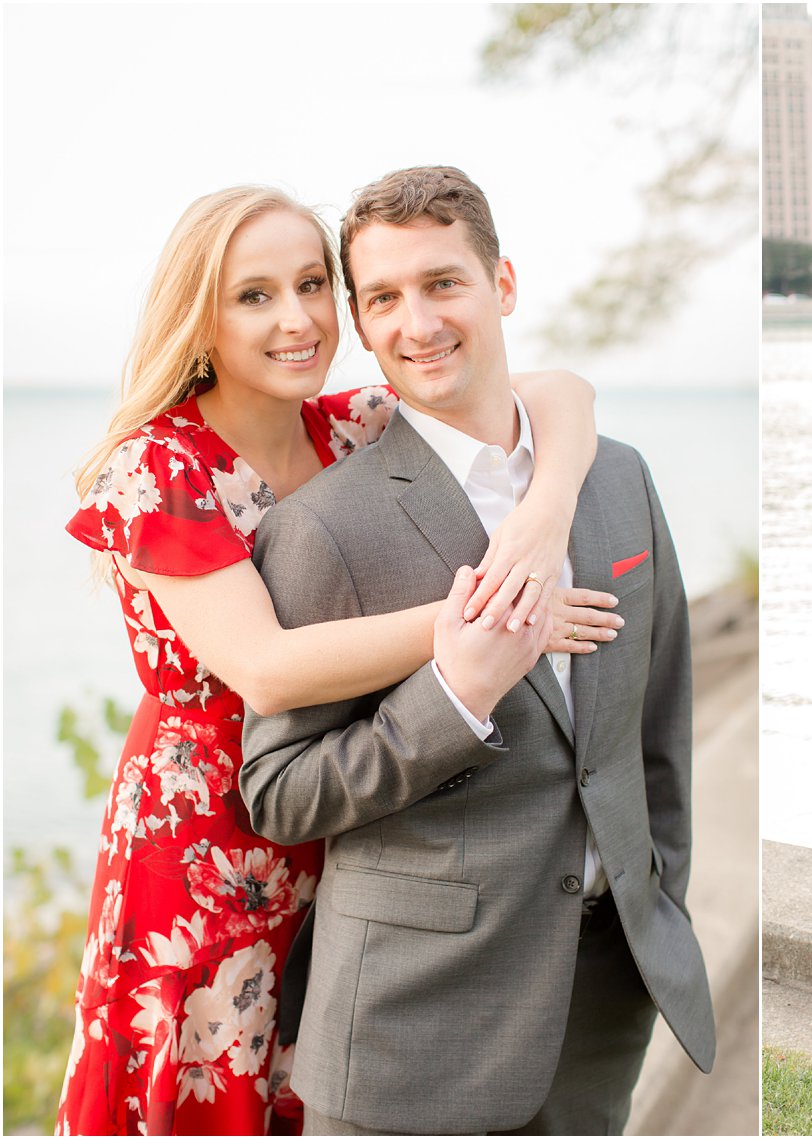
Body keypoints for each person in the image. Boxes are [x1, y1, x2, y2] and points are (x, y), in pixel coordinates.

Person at [57, 186, 609, 1136]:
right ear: (201, 316)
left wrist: (546, 507)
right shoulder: (158, 467)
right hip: (205, 844)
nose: (299, 318)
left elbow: (559, 390)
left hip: (346, 815)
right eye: (255, 295)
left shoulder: (350, 428)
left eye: (313, 284)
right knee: (210, 1084)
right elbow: (264, 669)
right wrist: (494, 618)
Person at [238, 165, 716, 1136]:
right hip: (411, 1024)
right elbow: (279, 792)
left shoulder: (615, 477)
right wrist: (452, 696)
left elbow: (655, 718)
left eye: (442, 282)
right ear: (362, 328)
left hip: (604, 994)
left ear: (501, 284)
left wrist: (657, 885)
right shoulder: (323, 528)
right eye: (383, 298)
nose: (418, 322)